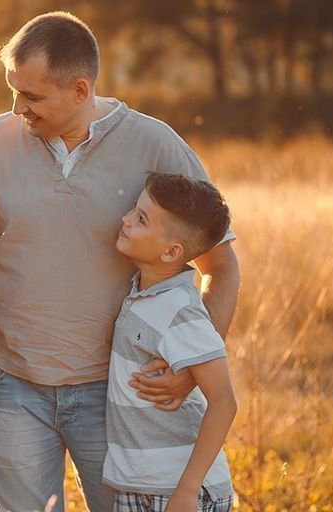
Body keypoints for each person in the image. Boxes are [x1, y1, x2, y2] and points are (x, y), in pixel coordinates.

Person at [0, 11, 240, 512]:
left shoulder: (155, 145)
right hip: (11, 389)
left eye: (31, 96)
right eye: (12, 89)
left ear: (79, 89)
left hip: (116, 393)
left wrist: (193, 366)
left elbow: (220, 266)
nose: (16, 107)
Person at [105, 172, 236, 511]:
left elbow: (223, 402)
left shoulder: (181, 310)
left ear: (171, 251)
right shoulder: (143, 294)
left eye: (141, 219)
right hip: (138, 484)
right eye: (134, 210)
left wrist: (187, 490)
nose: (126, 219)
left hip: (176, 491)